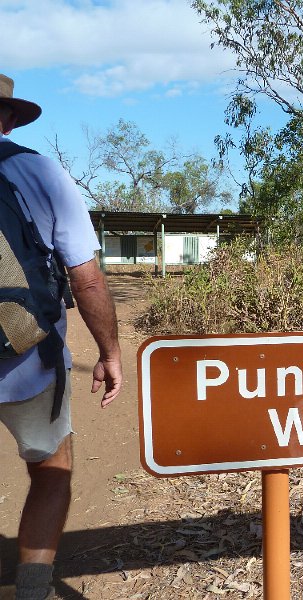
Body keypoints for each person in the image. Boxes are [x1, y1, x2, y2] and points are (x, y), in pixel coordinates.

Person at [0, 74, 123, 600]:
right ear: (8, 118)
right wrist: (110, 352)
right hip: (26, 357)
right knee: (51, 467)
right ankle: (31, 591)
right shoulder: (37, 171)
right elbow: (86, 276)